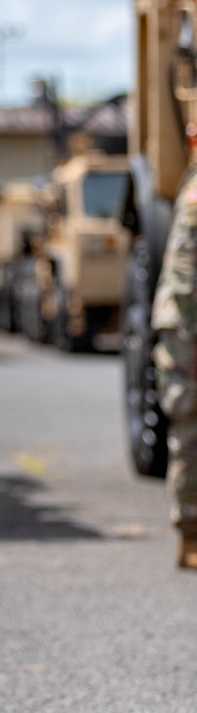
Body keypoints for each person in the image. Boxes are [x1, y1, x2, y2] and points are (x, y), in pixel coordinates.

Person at [152, 127, 197, 571]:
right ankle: (189, 536)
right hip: (187, 331)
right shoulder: (194, 195)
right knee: (189, 427)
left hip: (184, 324)